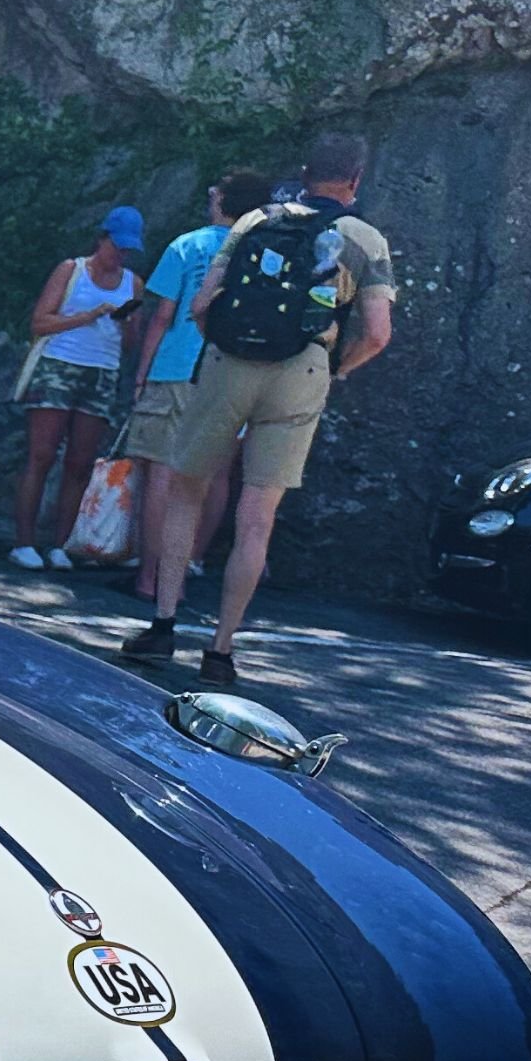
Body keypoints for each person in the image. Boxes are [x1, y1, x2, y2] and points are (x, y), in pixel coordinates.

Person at [123, 131, 394, 685]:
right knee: (256, 517)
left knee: (186, 493)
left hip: (229, 360)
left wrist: (219, 342)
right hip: (303, 371)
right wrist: (335, 367)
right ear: (356, 180)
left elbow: (203, 303)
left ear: (304, 173)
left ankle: (163, 625)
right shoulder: (365, 238)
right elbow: (377, 334)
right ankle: (221, 651)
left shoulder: (254, 221)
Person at [116, 167, 273, 601]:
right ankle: (189, 564)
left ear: (222, 200)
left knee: (162, 474)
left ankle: (152, 578)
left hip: (179, 369)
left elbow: (163, 317)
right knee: (215, 475)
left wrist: (142, 373)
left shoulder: (188, 246)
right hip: (239, 377)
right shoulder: (266, 253)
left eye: (215, 191)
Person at [10, 207, 142, 570]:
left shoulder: (133, 283)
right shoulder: (72, 271)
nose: (120, 255)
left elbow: (130, 345)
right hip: (60, 364)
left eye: (127, 250)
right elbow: (40, 321)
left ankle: (62, 545)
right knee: (41, 455)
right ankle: (23, 542)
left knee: (80, 463)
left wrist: (127, 323)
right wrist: (86, 317)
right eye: (117, 247)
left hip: (101, 372)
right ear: (102, 239)